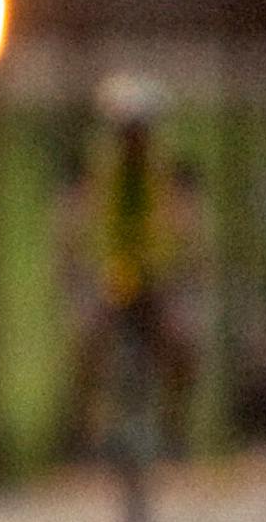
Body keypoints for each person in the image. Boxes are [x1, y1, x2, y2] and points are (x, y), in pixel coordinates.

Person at [61, 75, 200, 456]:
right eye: (129, 131)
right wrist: (76, 271)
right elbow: (72, 223)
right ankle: (83, 430)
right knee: (88, 341)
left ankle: (174, 428)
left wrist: (188, 271)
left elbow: (189, 227)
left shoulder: (166, 173)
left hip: (157, 279)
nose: (135, 139)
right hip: (112, 277)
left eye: (141, 130)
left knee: (182, 345)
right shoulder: (101, 173)